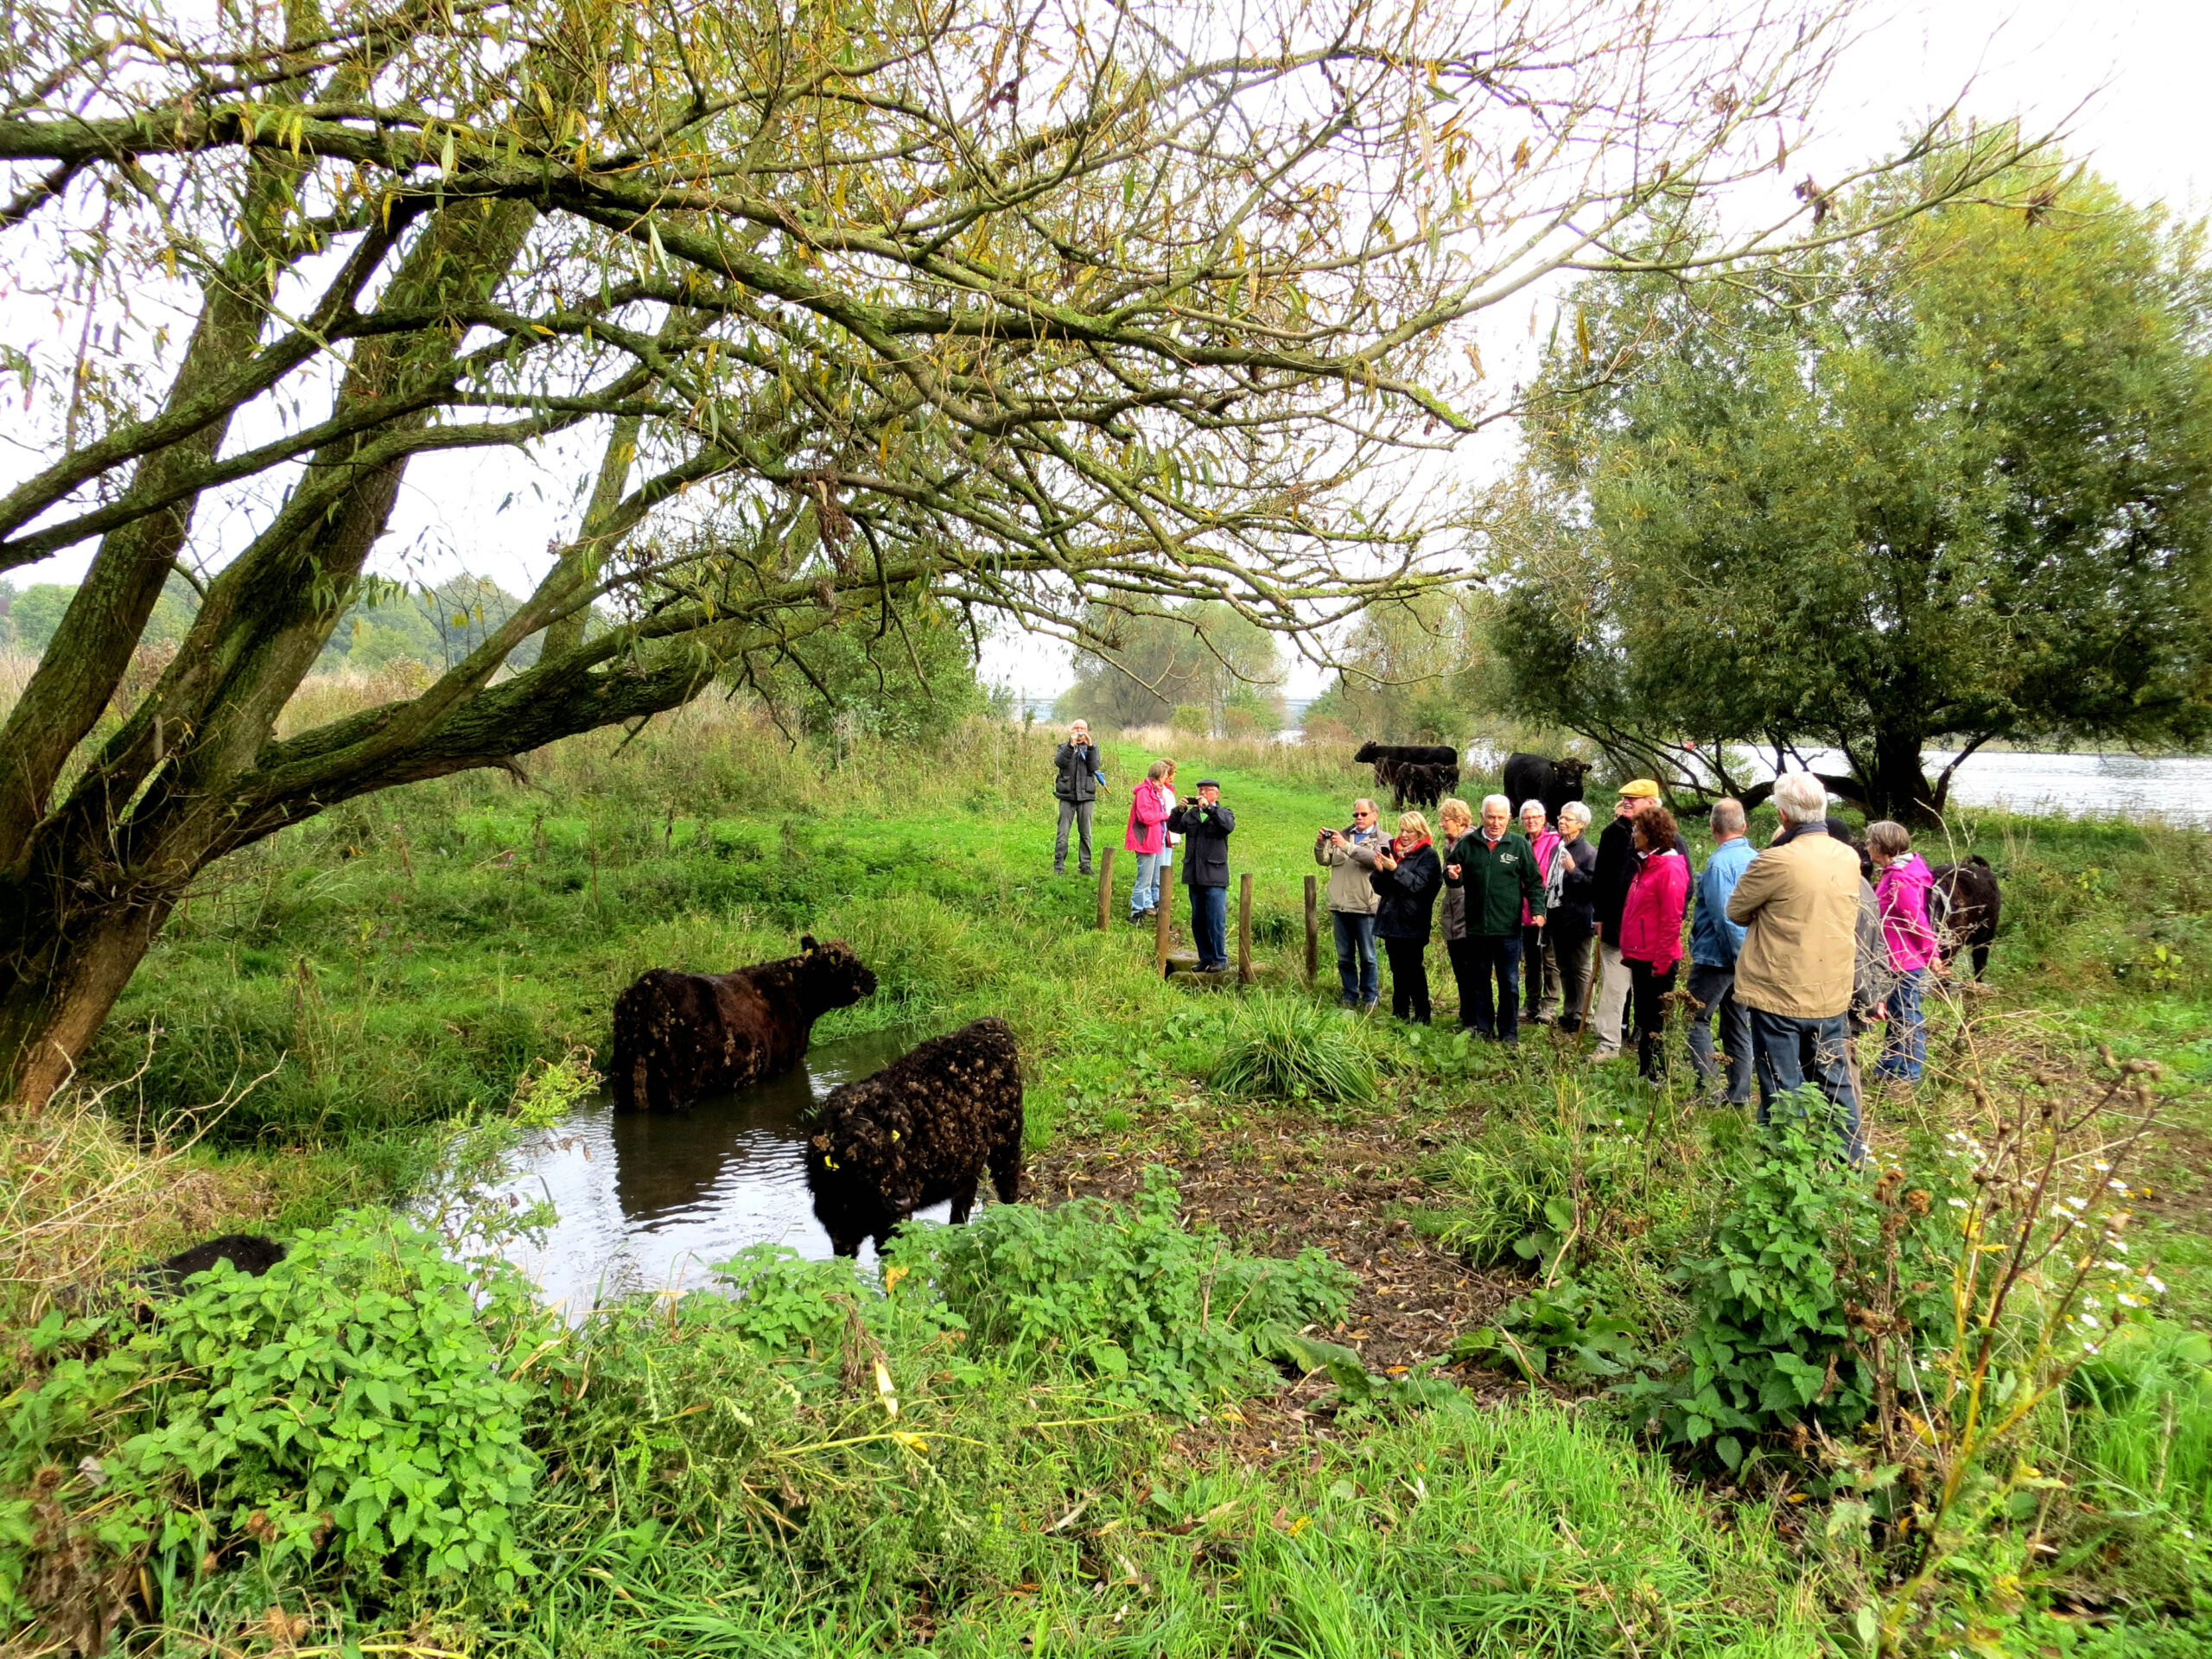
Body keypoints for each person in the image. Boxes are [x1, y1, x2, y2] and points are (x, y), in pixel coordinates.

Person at [1726, 771, 1866, 1160]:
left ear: (1783, 815)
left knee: (1781, 1086)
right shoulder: (1848, 856)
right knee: (1835, 1082)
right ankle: (1851, 1163)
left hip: (1779, 991)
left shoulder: (1776, 860)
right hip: (1831, 989)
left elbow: (1736, 910)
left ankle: (1787, 1169)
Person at [1591, 780, 1686, 1056]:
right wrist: (1599, 914)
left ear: (1652, 803)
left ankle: (1646, 1050)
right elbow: (1601, 878)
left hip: (1650, 940)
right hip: (1616, 928)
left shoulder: (1670, 844)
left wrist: (1653, 924)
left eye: (1635, 798)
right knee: (1613, 988)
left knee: (1648, 1002)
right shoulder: (1612, 833)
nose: (1628, 802)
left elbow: (1681, 892)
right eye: (1625, 798)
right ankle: (1609, 1043)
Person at [1446, 793, 1546, 1042]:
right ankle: (1484, 1028)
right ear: (1482, 817)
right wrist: (1453, 875)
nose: (1495, 822)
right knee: (1479, 982)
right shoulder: (1468, 844)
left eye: (1501, 817)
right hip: (1477, 928)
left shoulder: (1518, 846)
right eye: (1491, 817)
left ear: (1509, 819)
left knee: (1509, 983)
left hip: (1508, 929)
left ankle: (1509, 1032)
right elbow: (1449, 874)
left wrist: (1538, 910)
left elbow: (1534, 882)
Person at [1686, 798, 1755, 1105]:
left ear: (1712, 827)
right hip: (1749, 957)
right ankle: (1739, 1093)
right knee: (1736, 1023)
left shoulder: (1718, 864)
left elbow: (1724, 916)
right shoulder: (1758, 859)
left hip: (1718, 958)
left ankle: (1710, 1089)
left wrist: (1737, 958)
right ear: (1744, 826)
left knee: (1692, 1017)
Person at [1620, 805, 1691, 1081]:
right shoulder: (1647, 863)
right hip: (1641, 955)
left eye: (1637, 829)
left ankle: (1656, 1077)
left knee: (1654, 1021)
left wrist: (1661, 964)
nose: (1634, 834)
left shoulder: (1669, 867)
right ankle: (1645, 1072)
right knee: (1645, 1017)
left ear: (1650, 834)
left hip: (1656, 958)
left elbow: (1672, 920)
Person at [1867, 820, 1939, 1083]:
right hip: (1896, 958)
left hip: (1903, 960)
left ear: (1880, 846)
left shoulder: (1900, 878)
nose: (1867, 847)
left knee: (1908, 1018)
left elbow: (1915, 920)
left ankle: (1910, 1075)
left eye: (1869, 843)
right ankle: (1887, 1069)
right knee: (1898, 1016)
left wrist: (1932, 955)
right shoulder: (1896, 872)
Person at [1370, 810, 1443, 1022]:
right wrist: (1381, 871)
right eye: (1402, 829)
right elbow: (1381, 889)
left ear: (1420, 832)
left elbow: (1418, 885)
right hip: (1391, 920)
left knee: (1413, 970)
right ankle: (1399, 1013)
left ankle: (1422, 1015)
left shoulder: (1428, 855)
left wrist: (1395, 869)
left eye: (1409, 831)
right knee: (1397, 970)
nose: (1403, 835)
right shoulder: (1393, 851)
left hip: (1413, 922)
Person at [1315, 798, 1385, 1008]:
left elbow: (1377, 861)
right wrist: (1321, 844)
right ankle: (1349, 996)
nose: (1359, 818)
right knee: (1344, 957)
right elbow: (1323, 860)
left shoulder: (1381, 838)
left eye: (1363, 814)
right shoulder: (1344, 836)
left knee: (1368, 956)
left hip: (1365, 907)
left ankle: (1370, 997)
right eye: (1355, 815)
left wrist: (1346, 846)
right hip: (1341, 905)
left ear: (1375, 815)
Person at [1167, 779, 1235, 972]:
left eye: (1208, 790)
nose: (1203, 793)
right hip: (1194, 874)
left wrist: (1210, 809)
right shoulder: (1192, 814)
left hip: (1215, 875)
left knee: (1215, 919)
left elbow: (1227, 826)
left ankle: (1219, 958)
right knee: (1198, 920)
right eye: (1200, 790)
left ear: (1217, 794)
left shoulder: (1224, 813)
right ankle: (1205, 958)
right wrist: (1178, 810)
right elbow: (1174, 828)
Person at [1550, 803, 1599, 1033]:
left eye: (1568, 819)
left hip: (1580, 919)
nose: (1562, 821)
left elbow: (1594, 888)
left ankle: (1584, 1016)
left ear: (1581, 824)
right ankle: (1569, 1012)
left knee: (1581, 968)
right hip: (1559, 917)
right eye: (1560, 817)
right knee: (1564, 967)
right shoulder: (1556, 848)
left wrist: (1573, 870)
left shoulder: (1588, 852)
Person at [1518, 799, 1566, 1024]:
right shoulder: (1521, 843)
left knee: (1550, 959)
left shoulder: (1555, 842)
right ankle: (1531, 1004)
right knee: (1531, 961)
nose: (1531, 821)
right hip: (1523, 910)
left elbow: (1551, 875)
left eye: (1535, 817)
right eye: (1526, 818)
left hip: (1546, 908)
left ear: (1544, 819)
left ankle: (1550, 1005)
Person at [1434, 798, 1478, 1022]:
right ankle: (1466, 1014)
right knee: (1460, 968)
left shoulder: (1473, 843)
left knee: (1470, 970)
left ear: (1460, 821)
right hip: (1452, 914)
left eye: (1446, 819)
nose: (1442, 823)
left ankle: (1474, 1017)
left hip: (1469, 915)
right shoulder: (1448, 845)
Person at [1052, 721, 1107, 876]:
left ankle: (1085, 865)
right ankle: (1059, 866)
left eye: (1082, 729)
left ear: (1088, 731)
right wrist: (1071, 745)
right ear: (1071, 731)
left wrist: (1091, 747)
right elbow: (1060, 762)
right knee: (1063, 833)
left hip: (1086, 796)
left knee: (1086, 833)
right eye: (1076, 728)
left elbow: (1094, 766)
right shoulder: (1064, 747)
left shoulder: (1092, 748)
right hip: (1067, 795)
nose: (1080, 731)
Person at [1124, 761, 1173, 923]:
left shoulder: (1156, 791)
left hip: (1156, 840)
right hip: (1145, 841)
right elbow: (1145, 816)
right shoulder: (1144, 792)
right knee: (1144, 879)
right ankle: (1136, 912)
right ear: (1159, 776)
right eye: (1165, 775)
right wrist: (1165, 815)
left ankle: (1152, 905)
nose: (1167, 778)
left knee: (1156, 877)